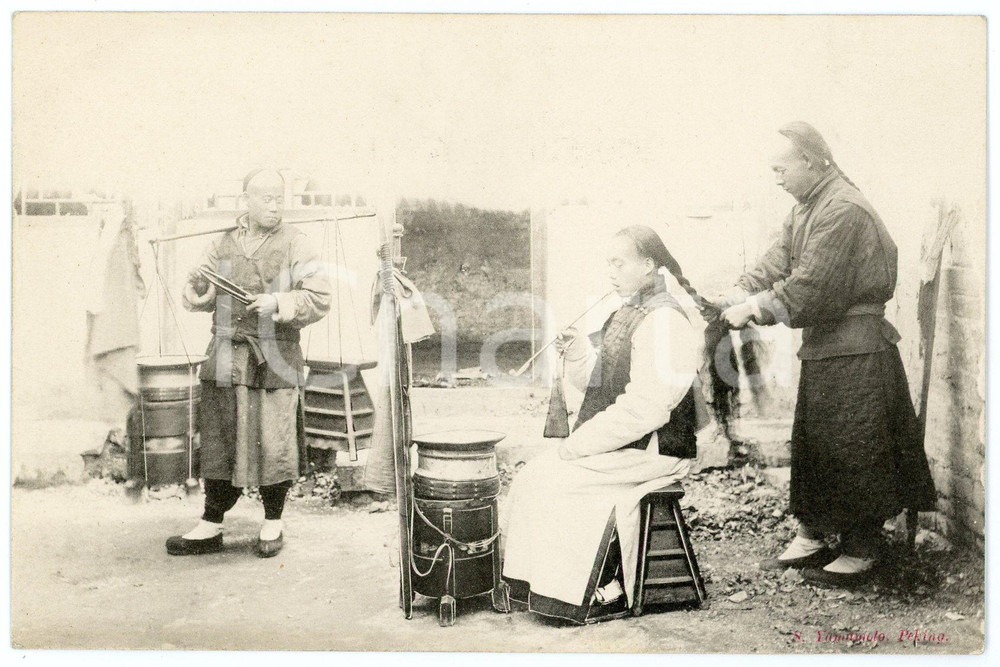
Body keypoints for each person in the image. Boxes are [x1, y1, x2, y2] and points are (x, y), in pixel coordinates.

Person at [717, 122, 936, 586]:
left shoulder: (843, 209)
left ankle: (863, 547)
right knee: (817, 444)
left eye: (781, 167)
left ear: (813, 160)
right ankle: (813, 533)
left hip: (858, 350)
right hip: (826, 349)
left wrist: (754, 307)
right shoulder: (807, 207)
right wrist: (740, 290)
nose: (776, 177)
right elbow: (777, 261)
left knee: (858, 448)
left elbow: (812, 287)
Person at [501, 225, 710, 624]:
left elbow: (646, 410)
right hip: (630, 441)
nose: (611, 272)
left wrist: (578, 446)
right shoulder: (628, 311)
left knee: (551, 479)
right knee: (536, 476)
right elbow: (600, 390)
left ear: (648, 265)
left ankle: (603, 588)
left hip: (655, 450)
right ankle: (536, 587)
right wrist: (579, 354)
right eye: (608, 263)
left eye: (619, 263)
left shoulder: (665, 320)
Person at [165, 168, 332, 558]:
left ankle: (273, 519)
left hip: (274, 354)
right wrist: (199, 287)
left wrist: (279, 302)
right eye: (265, 198)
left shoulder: (297, 243)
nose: (275, 205)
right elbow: (199, 294)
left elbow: (320, 296)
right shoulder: (222, 242)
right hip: (225, 353)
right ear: (246, 200)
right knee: (221, 438)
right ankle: (211, 521)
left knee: (273, 439)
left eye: (280, 197)